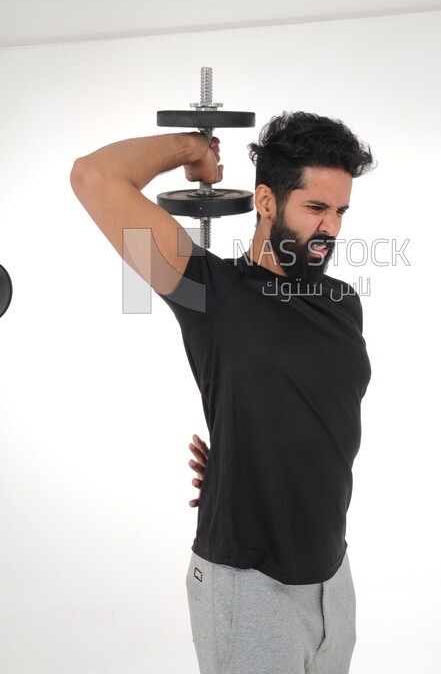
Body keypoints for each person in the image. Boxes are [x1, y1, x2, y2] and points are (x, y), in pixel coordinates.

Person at [70, 111, 375, 674]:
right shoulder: (209, 292)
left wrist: (239, 457)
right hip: (251, 588)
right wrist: (191, 149)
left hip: (334, 579)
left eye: (340, 211)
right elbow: (93, 176)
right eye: (315, 208)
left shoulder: (342, 302)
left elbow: (310, 410)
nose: (330, 228)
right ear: (265, 201)